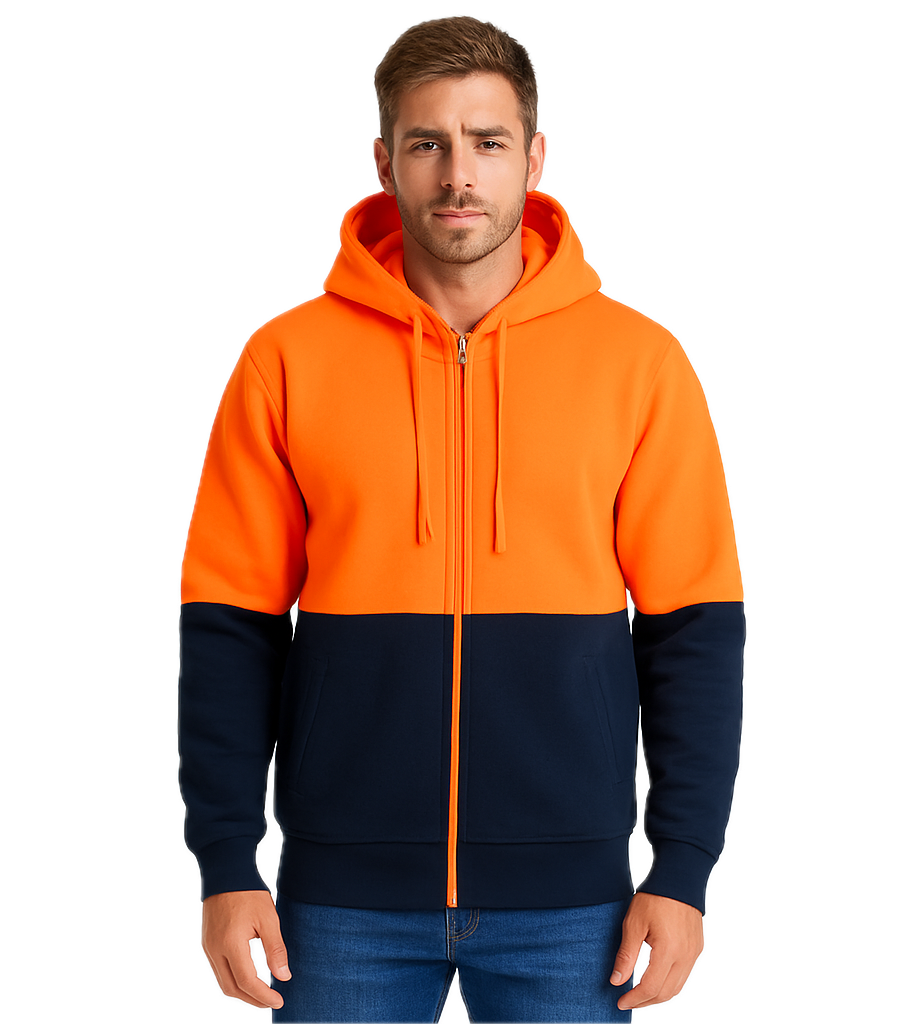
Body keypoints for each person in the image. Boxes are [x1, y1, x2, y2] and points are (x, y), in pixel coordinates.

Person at [177, 14, 745, 1022]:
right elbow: (230, 628)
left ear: (534, 155)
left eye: (487, 142)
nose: (458, 176)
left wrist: (684, 868)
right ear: (383, 160)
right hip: (337, 899)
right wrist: (226, 860)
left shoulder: (637, 365)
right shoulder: (286, 360)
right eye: (427, 143)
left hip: (575, 902)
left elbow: (693, 631)